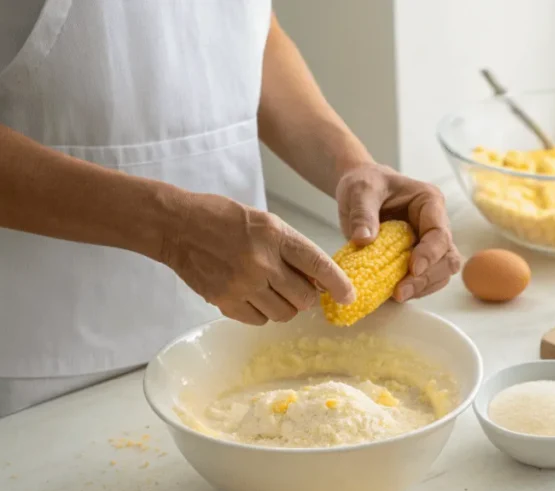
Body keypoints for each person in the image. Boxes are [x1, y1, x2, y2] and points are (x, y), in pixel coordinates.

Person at [0, 2, 462, 417]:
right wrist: (172, 229)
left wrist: (352, 167)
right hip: (48, 363)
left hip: (240, 330)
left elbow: (245, 32)